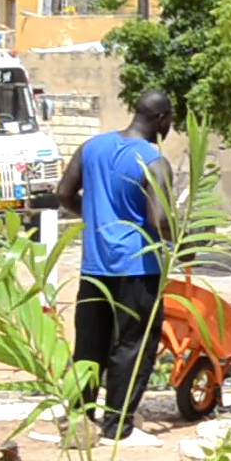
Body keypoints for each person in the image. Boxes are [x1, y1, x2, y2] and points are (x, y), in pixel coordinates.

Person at [56, 90, 174, 441]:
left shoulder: (92, 147)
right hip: (138, 268)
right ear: (161, 120)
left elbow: (63, 194)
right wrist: (182, 244)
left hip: (95, 266)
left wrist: (91, 217)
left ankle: (79, 420)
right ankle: (116, 426)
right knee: (133, 346)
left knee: (89, 345)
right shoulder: (153, 161)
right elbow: (161, 219)